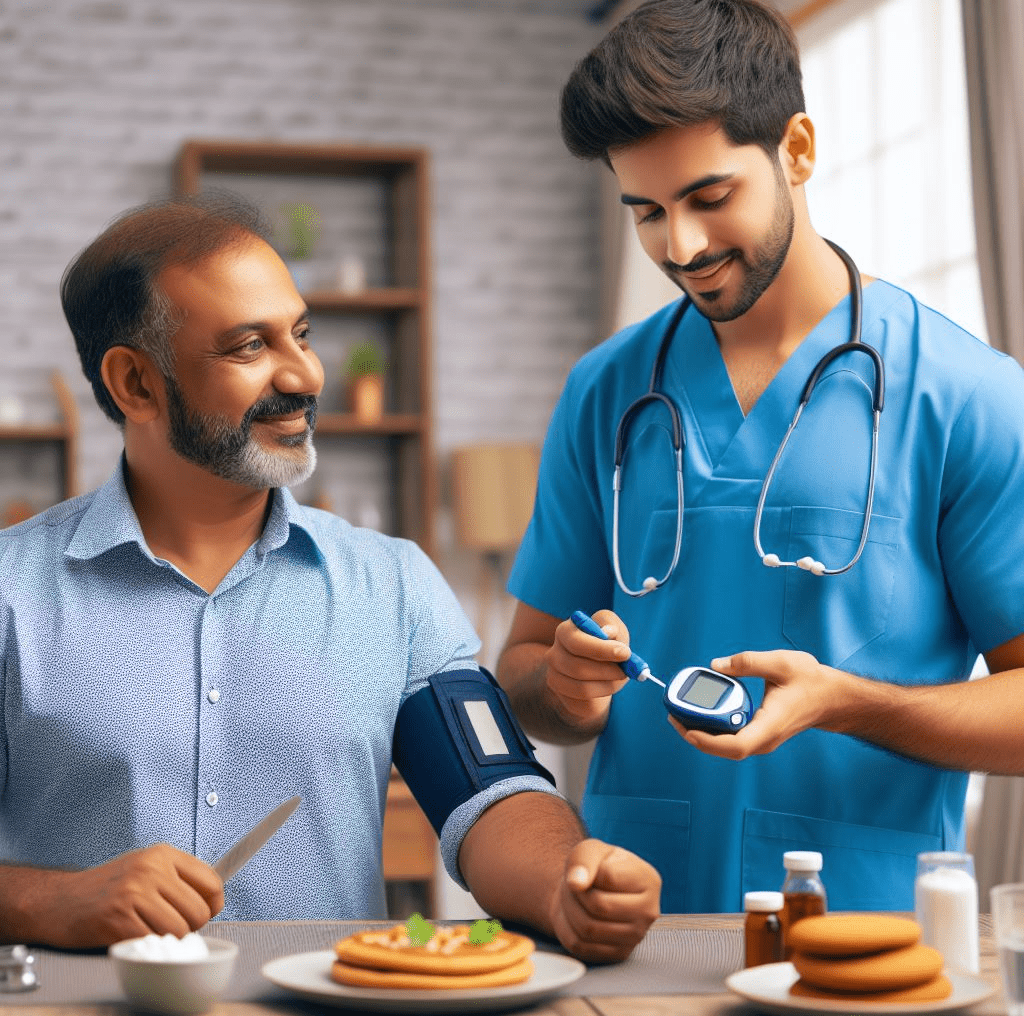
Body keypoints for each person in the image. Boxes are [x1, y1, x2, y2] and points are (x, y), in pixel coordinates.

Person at [0, 193, 660, 957]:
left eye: (302, 334)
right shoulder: (12, 594)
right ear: (135, 385)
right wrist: (54, 901)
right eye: (250, 347)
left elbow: (491, 794)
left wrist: (566, 880)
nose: (307, 374)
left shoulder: (395, 585)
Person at [497, 0, 1024, 914]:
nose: (682, 247)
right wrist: (563, 688)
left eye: (709, 198)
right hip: (634, 924)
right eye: (648, 213)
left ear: (798, 149)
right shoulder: (607, 391)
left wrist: (848, 703)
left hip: (863, 934)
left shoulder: (966, 394)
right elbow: (522, 670)